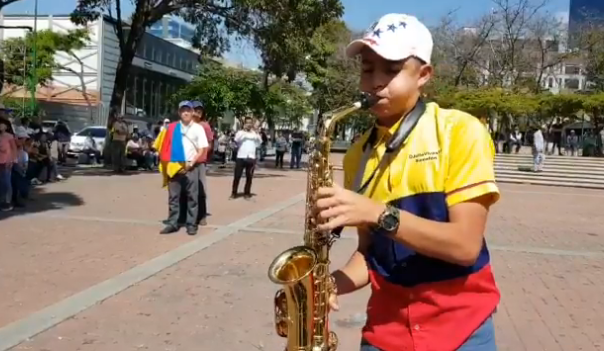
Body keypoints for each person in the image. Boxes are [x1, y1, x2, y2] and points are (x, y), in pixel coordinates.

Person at [314, 13, 500, 351]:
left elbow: (464, 246)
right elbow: (371, 254)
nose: (375, 82)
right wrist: (331, 283)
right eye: (368, 69)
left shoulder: (460, 131)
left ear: (424, 75)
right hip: (384, 333)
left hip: (461, 333)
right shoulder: (358, 153)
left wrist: (377, 213)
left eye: (392, 69)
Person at [155, 101, 208, 235]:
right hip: (174, 166)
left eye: (188, 110)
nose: (186, 113)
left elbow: (202, 149)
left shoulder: (198, 128)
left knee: (192, 197)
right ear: (179, 113)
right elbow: (164, 145)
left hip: (191, 165)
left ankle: (191, 224)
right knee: (174, 197)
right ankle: (173, 222)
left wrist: (192, 163)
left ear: (192, 112)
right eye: (183, 110)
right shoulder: (172, 128)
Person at [231, 117, 261, 199]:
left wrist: (257, 133)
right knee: (237, 176)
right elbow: (236, 140)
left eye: (250, 123)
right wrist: (244, 132)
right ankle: (234, 193)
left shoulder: (254, 134)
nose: (249, 124)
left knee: (249, 177)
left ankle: (247, 193)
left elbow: (259, 143)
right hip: (241, 157)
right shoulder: (240, 133)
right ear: (244, 124)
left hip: (251, 157)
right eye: (247, 123)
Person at [0, 118, 17, 211]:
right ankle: (2, 200)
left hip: (7, 162)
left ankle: (7, 201)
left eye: (2, 125)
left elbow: (14, 149)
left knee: (7, 182)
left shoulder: (9, 136)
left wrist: (12, 160)